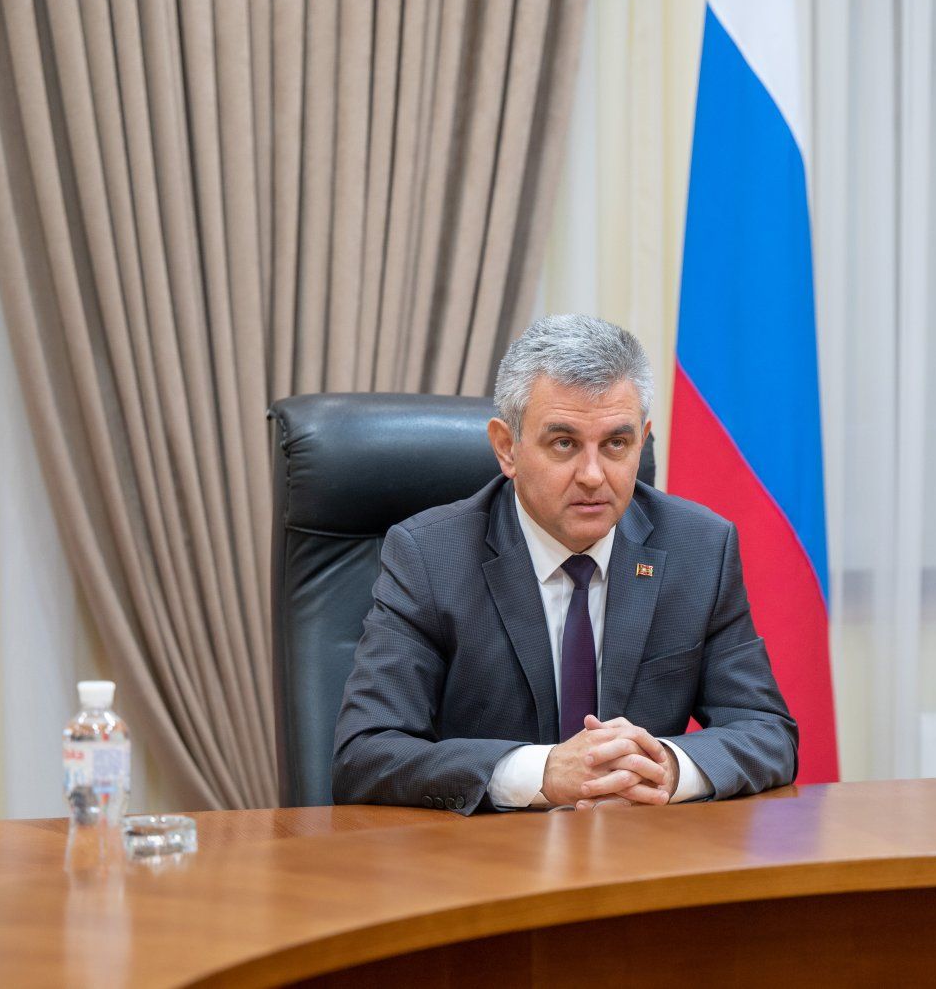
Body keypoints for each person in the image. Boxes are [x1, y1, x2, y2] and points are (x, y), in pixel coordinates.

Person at [333, 314, 797, 813]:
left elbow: (767, 731)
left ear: (641, 441)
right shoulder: (429, 555)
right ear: (507, 448)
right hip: (486, 851)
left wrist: (666, 766)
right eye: (564, 444)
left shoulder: (699, 547)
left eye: (616, 444)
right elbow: (366, 754)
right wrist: (542, 772)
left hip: (640, 848)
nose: (593, 475)